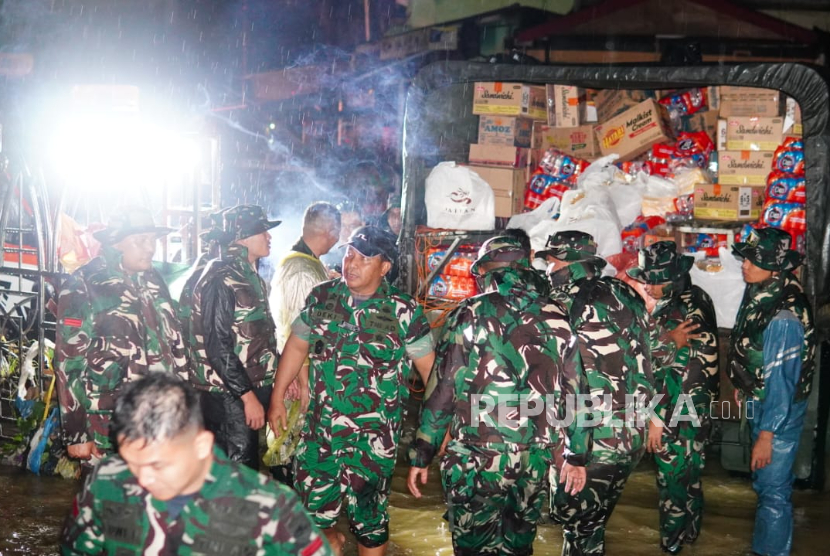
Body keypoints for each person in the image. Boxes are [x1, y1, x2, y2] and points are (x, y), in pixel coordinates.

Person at [407, 235, 589, 556]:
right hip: (534, 459)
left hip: (479, 458)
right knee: (519, 546)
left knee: (473, 547)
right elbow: (576, 390)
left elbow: (444, 388)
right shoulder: (557, 314)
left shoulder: (470, 312)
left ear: (486, 272)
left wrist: (422, 452)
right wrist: (577, 456)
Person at [268, 225, 435, 556]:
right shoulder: (322, 296)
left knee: (370, 527)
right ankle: (332, 541)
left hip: (372, 443)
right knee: (311, 521)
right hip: (319, 436)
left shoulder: (404, 311)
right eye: (349, 253)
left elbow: (431, 373)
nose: (351, 263)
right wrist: (277, 398)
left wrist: (433, 432)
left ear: (384, 266)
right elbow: (297, 345)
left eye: (364, 258)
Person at [60, 373, 335, 556]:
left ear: (201, 446)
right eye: (132, 463)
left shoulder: (271, 506)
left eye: (158, 465)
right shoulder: (106, 481)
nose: (142, 480)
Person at [538, 230, 656, 556]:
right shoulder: (626, 292)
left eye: (551, 261)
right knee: (592, 525)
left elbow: (554, 377)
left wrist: (567, 450)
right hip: (630, 435)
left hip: (589, 439)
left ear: (566, 262)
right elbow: (650, 354)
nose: (548, 268)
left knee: (576, 525)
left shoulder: (557, 303)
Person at [54, 208, 189, 463]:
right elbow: (68, 361)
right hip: (110, 423)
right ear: (116, 242)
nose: (150, 248)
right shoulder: (84, 283)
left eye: (153, 240)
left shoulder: (153, 279)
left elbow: (175, 345)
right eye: (141, 240)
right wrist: (77, 433)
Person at [728, 227, 815, 556]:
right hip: (760, 398)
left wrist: (767, 435)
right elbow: (753, 347)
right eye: (746, 258)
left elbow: (782, 382)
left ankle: (770, 552)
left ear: (776, 267)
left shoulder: (783, 316)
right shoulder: (762, 289)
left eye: (753, 260)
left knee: (773, 490)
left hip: (776, 411)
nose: (744, 265)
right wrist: (744, 383)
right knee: (764, 481)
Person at [627, 241, 719, 554]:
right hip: (697, 408)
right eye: (646, 279)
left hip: (676, 411)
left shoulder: (676, 313)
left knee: (673, 482)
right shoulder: (698, 297)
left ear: (674, 279)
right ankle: (691, 536)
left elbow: (673, 373)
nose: (648, 286)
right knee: (691, 475)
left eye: (654, 281)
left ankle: (672, 544)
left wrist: (656, 420)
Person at [185, 204, 281, 470]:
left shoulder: (250, 277)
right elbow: (218, 345)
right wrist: (247, 397)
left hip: (243, 390)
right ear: (244, 236)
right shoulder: (222, 276)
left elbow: (260, 337)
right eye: (263, 231)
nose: (269, 237)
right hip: (228, 396)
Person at [266, 201, 340, 485]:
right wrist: (302, 379)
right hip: (299, 374)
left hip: (294, 368)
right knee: (291, 446)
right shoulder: (303, 270)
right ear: (329, 230)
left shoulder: (306, 263)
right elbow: (300, 332)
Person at [321, 201, 364, 275]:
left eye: (352, 226)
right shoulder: (324, 252)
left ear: (362, 225)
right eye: (342, 225)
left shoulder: (369, 255)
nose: (346, 231)